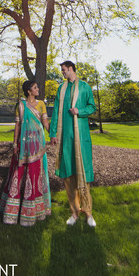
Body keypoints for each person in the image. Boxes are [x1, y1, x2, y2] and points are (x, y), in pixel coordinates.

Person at [50, 60, 97, 227]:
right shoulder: (61, 89)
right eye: (62, 70)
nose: (62, 73)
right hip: (65, 139)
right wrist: (53, 133)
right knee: (69, 176)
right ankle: (74, 213)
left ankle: (89, 213)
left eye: (64, 70)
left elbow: (92, 107)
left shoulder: (85, 87)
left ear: (71, 69)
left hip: (81, 137)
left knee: (83, 174)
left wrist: (80, 111)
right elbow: (56, 111)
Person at [0, 80, 51, 226]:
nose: (38, 89)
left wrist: (52, 133)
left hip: (38, 144)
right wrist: (15, 144)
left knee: (35, 173)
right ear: (29, 91)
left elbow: (45, 122)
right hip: (23, 145)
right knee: (19, 173)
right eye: (35, 87)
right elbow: (17, 125)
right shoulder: (21, 106)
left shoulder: (41, 104)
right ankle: (13, 210)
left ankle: (35, 209)